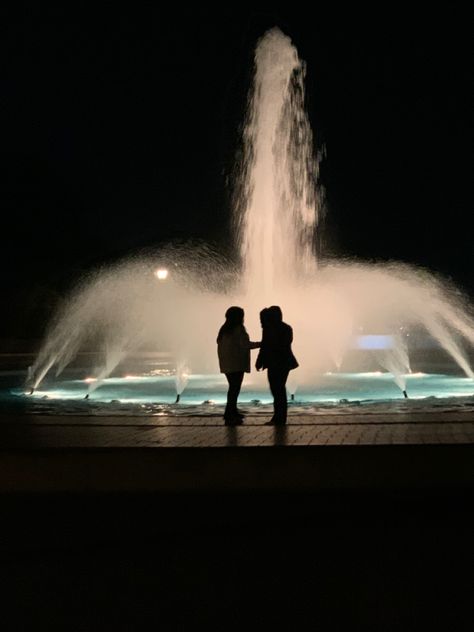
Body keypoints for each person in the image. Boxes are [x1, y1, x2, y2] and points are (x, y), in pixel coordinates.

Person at [217, 306, 261, 425]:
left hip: (228, 364)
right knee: (234, 389)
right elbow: (245, 344)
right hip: (236, 363)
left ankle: (232, 411)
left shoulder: (224, 329)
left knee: (233, 388)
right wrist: (261, 344)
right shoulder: (238, 329)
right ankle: (230, 413)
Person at [255, 305, 298, 425]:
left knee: (277, 390)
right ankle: (279, 417)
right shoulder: (286, 328)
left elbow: (265, 346)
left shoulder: (269, 328)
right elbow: (283, 344)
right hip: (284, 363)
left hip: (275, 363)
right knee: (279, 389)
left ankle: (279, 418)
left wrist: (260, 361)